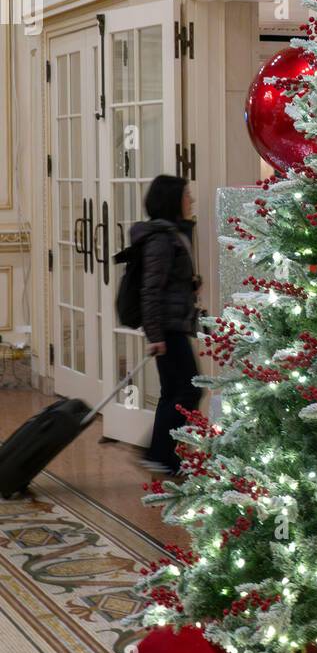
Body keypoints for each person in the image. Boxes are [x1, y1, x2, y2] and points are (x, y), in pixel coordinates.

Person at [130, 175, 200, 474]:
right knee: (189, 389)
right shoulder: (160, 238)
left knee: (174, 390)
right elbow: (151, 289)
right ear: (173, 199)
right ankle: (161, 453)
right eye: (186, 194)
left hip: (174, 324)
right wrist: (155, 335)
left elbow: (170, 281)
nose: (191, 200)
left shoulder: (173, 233)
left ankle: (160, 453)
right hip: (168, 329)